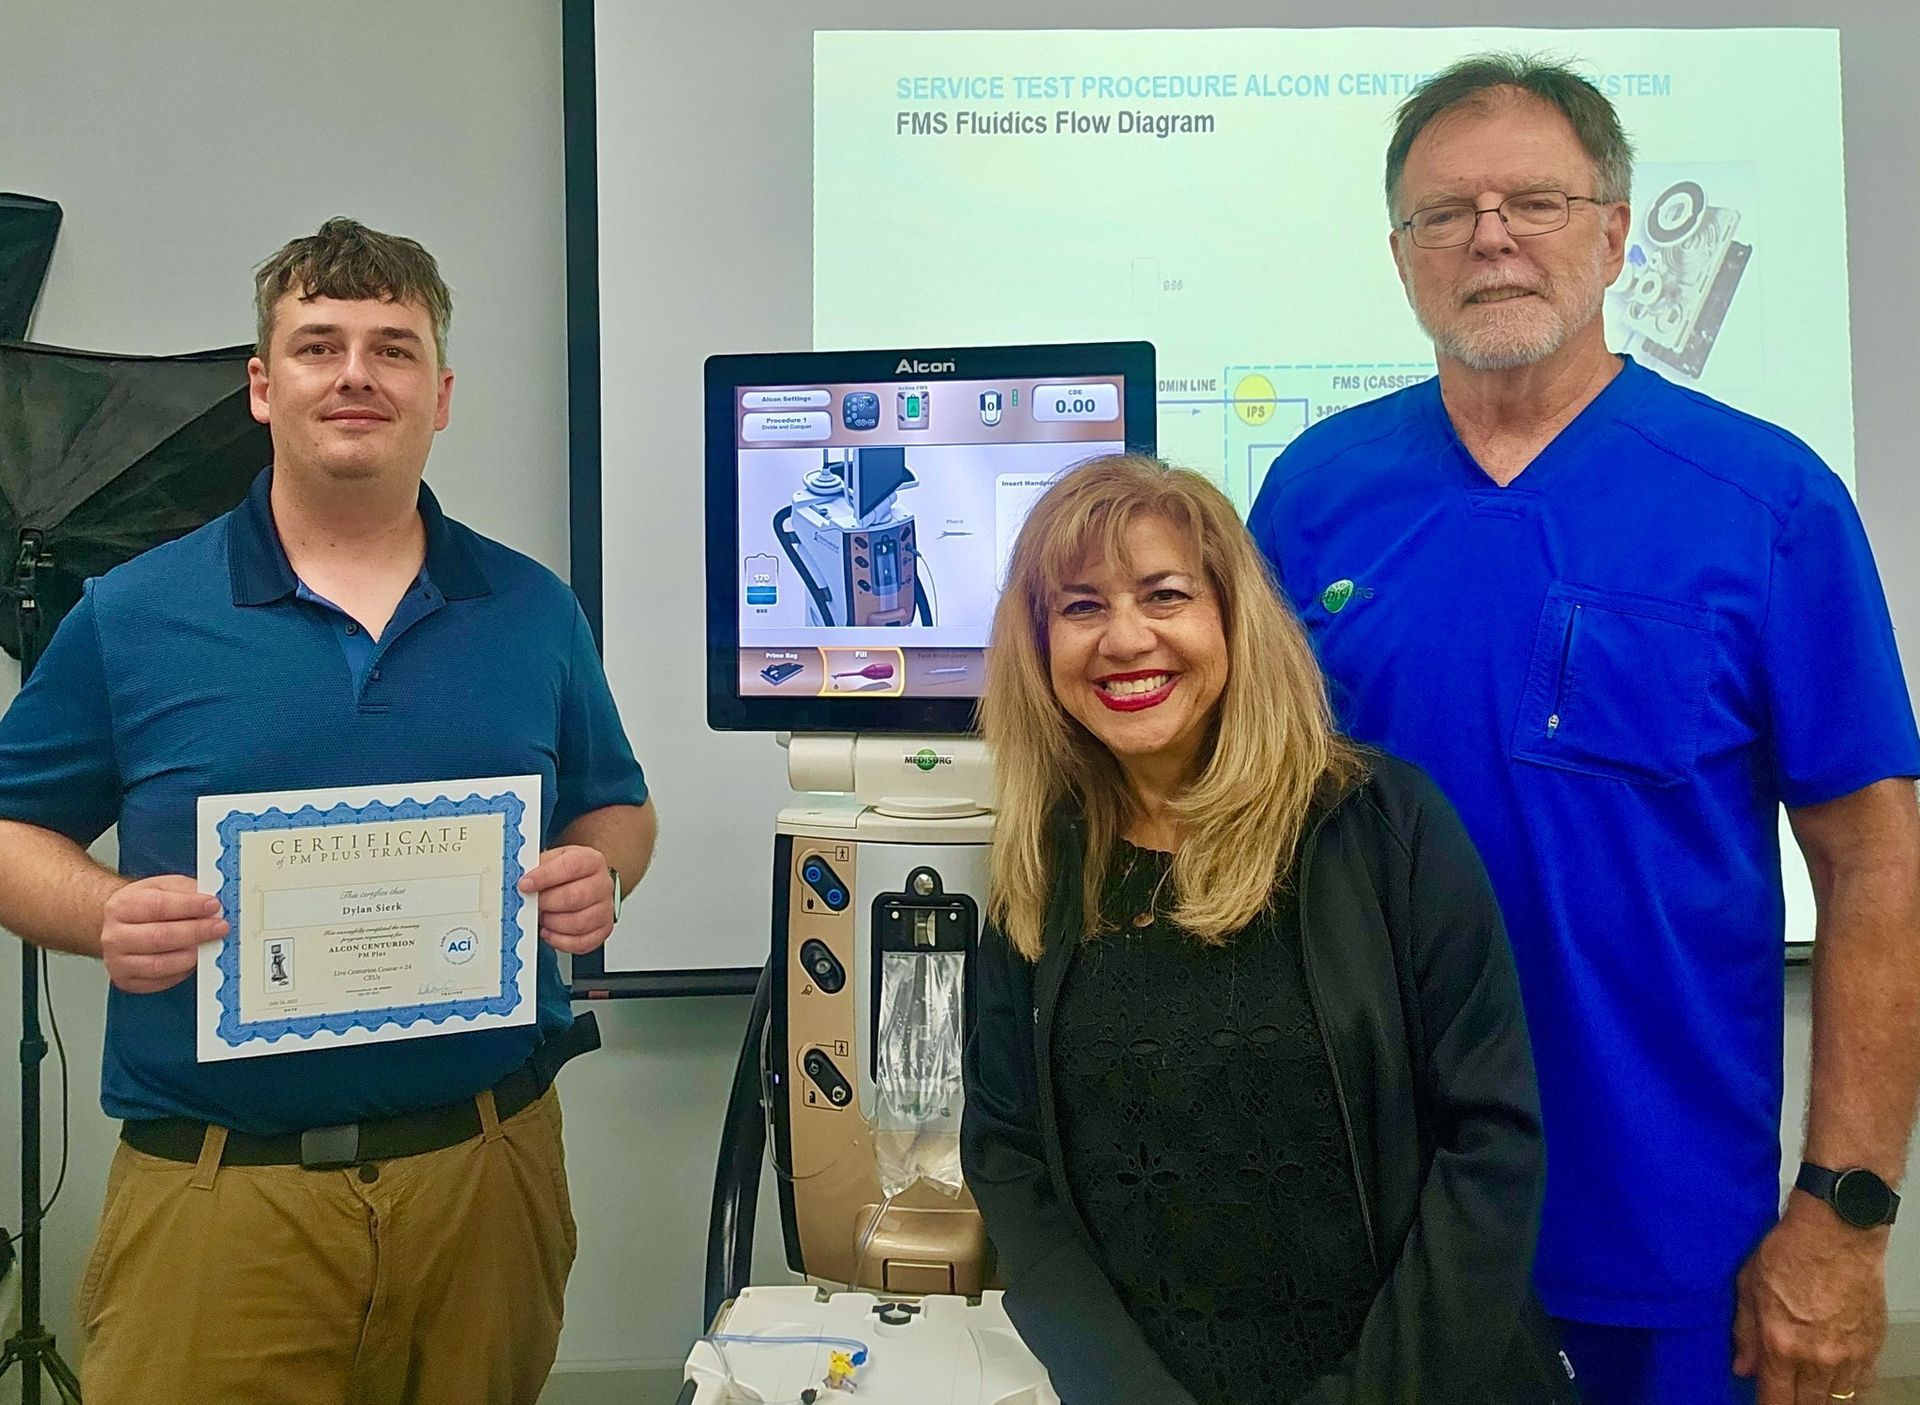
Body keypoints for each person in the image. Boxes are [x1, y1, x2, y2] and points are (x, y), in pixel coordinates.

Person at [1248, 54, 1920, 1405]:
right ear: (1401, 256)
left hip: (1667, 1244)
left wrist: (1844, 1214)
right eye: (1447, 212)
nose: (1489, 235)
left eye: (1534, 202)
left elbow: (1874, 866)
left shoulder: (1768, 501)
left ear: (1615, 233)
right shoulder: (1315, 496)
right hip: (1373, 1228)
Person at [0, 217, 657, 1403]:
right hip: (221, 1196)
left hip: (486, 1177)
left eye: (393, 348)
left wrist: (598, 869)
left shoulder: (532, 608)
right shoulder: (132, 613)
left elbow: (618, 807)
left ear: (440, 394)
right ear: (262, 387)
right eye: (318, 345)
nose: (356, 374)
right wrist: (101, 911)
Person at [962, 454, 1576, 1405]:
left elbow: (1492, 1145)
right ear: (1039, 648)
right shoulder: (1038, 865)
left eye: (1164, 594)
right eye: (1080, 607)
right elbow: (1007, 1156)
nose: (1126, 639)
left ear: (1232, 617)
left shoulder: (1386, 830)